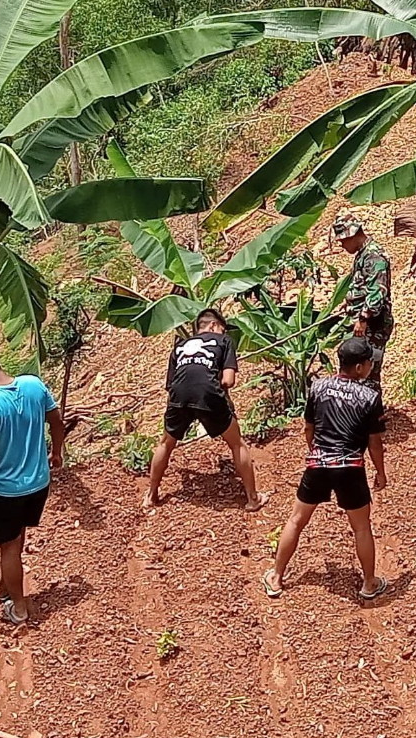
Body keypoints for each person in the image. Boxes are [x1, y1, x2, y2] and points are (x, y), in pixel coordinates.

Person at [262, 337, 389, 602]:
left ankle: (276, 576)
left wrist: (314, 453)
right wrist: (380, 472)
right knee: (362, 527)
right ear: (358, 368)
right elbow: (374, 442)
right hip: (350, 468)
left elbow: (309, 428)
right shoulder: (370, 396)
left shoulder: (318, 387)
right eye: (368, 362)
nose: (370, 366)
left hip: (318, 464)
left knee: (296, 520)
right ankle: (369, 583)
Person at [0, 348, 65, 625]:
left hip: (6, 489)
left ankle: (19, 608)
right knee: (17, 535)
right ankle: (4, 585)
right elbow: (56, 421)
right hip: (39, 483)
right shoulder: (34, 384)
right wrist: (57, 453)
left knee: (8, 546)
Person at [143, 309, 266, 511]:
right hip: (207, 393)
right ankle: (253, 499)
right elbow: (228, 380)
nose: (223, 333)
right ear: (213, 326)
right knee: (237, 444)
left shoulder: (179, 346)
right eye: (222, 329)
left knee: (165, 443)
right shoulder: (224, 341)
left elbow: (171, 384)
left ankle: (151, 495)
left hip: (178, 395)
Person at [333, 213, 394, 389]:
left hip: (373, 325)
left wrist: (363, 319)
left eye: (343, 240)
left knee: (367, 375)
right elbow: (363, 287)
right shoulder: (363, 254)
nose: (342, 245)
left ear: (352, 234)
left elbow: (378, 291)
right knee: (355, 373)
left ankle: (371, 414)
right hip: (364, 322)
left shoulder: (373, 255)